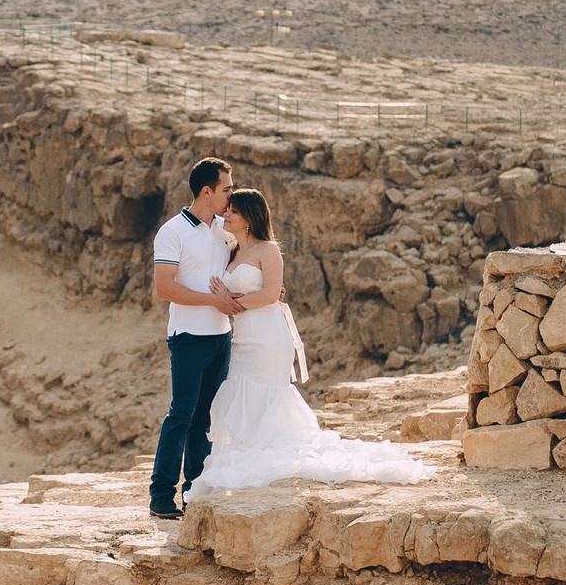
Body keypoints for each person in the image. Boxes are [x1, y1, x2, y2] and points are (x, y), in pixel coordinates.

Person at [193, 187, 427, 492]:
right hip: (242, 338)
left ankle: (266, 458)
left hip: (269, 337)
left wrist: (230, 300)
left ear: (249, 218)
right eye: (228, 210)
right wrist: (230, 300)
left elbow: (267, 295)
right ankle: (243, 455)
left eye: (233, 211)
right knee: (240, 391)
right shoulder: (232, 250)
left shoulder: (268, 250)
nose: (226, 214)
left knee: (265, 393)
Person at [147, 157, 242, 518]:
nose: (231, 196)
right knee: (182, 415)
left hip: (221, 337)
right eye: (226, 189)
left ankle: (194, 491)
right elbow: (165, 287)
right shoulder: (172, 232)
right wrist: (213, 300)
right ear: (207, 191)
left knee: (205, 419)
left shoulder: (225, 228)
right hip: (188, 337)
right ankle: (160, 495)